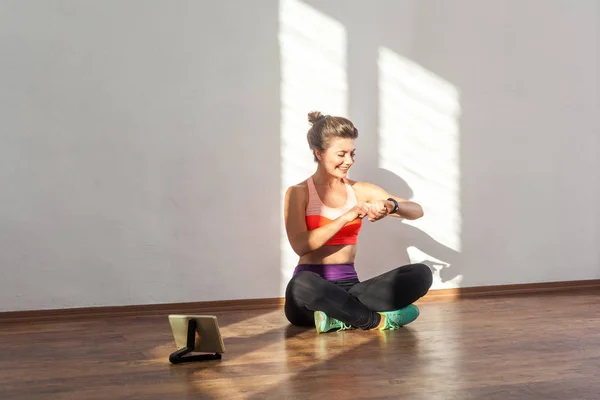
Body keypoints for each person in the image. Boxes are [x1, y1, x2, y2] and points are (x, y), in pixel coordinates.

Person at [283, 111, 433, 333]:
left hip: (349, 289)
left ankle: (340, 318)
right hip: (309, 298)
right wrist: (345, 217)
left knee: (421, 273)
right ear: (319, 153)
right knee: (302, 283)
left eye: (352, 154)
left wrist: (391, 205)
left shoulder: (360, 190)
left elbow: (417, 211)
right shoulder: (298, 192)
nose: (349, 161)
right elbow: (301, 245)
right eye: (341, 154)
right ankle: (377, 321)